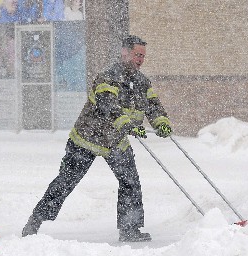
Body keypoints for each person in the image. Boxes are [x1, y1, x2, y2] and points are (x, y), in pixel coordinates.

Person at [22, 35, 172, 242]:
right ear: (124, 53)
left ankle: (130, 229)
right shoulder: (108, 77)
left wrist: (161, 122)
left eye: (143, 56)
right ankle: (35, 221)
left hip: (115, 142)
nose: (140, 60)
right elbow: (107, 106)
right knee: (66, 181)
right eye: (137, 55)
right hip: (87, 140)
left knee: (130, 182)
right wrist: (128, 124)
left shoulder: (141, 82)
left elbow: (153, 106)